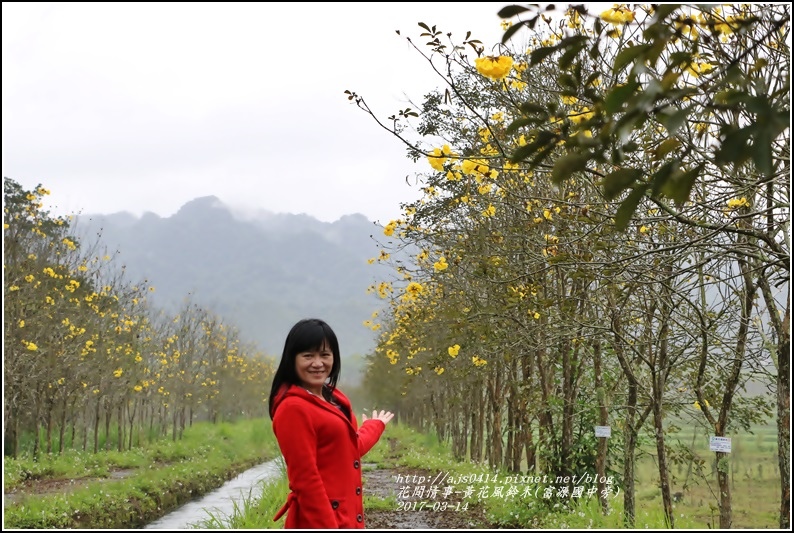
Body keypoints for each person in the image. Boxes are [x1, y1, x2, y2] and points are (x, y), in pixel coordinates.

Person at [269, 318, 395, 529]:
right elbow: (305, 480)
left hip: (346, 517)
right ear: (292, 359)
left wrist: (374, 426)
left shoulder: (332, 398)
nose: (318, 363)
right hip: (321, 521)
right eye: (308, 356)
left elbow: (347, 449)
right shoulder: (293, 408)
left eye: (325, 355)